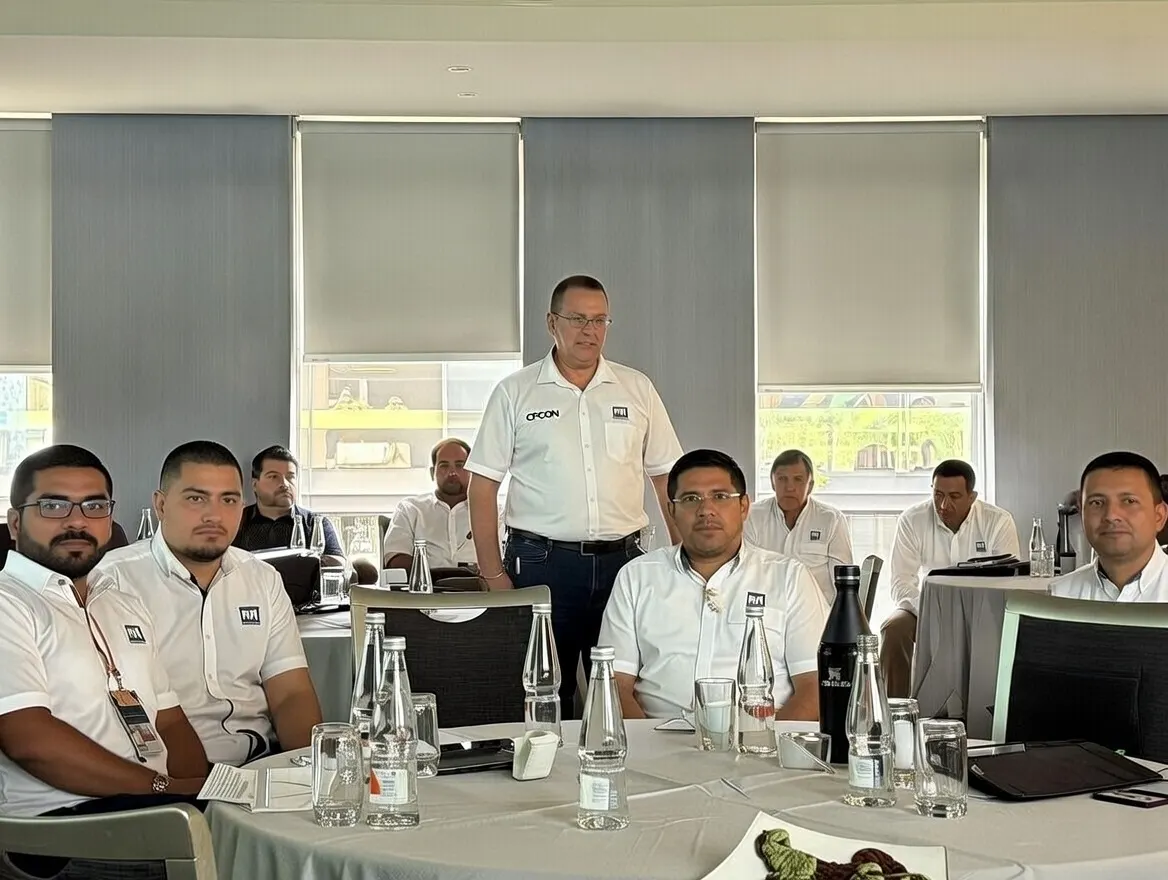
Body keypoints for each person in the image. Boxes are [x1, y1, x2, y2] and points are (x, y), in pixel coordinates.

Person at [466, 275, 684, 709]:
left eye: (601, 320)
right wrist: (493, 576)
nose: (590, 330)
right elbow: (482, 485)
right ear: (552, 323)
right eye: (578, 319)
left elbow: (667, 479)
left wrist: (684, 559)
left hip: (624, 564)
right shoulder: (516, 392)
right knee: (543, 692)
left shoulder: (636, 388)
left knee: (625, 689)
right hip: (543, 564)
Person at [0, 446, 208, 877]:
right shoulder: (9, 604)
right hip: (58, 827)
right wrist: (168, 791)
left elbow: (168, 721)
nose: (77, 520)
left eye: (94, 505)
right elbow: (28, 740)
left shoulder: (121, 602)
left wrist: (203, 788)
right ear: (15, 522)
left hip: (151, 809)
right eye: (53, 505)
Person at [96, 441, 322, 765]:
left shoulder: (262, 578)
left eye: (228, 500)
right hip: (166, 773)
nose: (213, 514)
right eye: (195, 498)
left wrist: (306, 772)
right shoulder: (112, 581)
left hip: (258, 762)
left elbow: (290, 693)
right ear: (160, 505)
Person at [598, 449, 826, 721]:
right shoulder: (636, 578)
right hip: (660, 740)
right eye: (691, 499)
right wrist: (648, 751)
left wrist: (769, 754)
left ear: (744, 506)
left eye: (720, 497)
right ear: (671, 510)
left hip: (759, 744)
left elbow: (815, 687)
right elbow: (613, 685)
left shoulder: (788, 578)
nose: (706, 510)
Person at [883, 459, 1019, 697]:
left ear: (972, 496)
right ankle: (896, 713)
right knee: (893, 628)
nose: (944, 505)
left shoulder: (997, 521)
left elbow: (1009, 581)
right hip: (924, 610)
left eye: (954, 496)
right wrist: (929, 611)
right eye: (938, 495)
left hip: (982, 613)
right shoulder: (912, 520)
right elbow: (900, 582)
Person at [1051, 451, 1168, 601]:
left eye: (1129, 501)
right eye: (1097, 503)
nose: (1111, 516)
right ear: (1082, 513)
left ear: (1159, 516)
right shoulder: (1061, 596)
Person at [744, 448, 854, 604]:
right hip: (767, 611)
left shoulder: (831, 519)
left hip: (818, 614)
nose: (789, 487)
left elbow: (843, 584)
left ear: (810, 485)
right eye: (782, 479)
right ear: (772, 483)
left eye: (798, 479)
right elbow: (745, 574)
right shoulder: (752, 516)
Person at [234, 445, 346, 569]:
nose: (284, 484)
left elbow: (339, 564)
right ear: (255, 485)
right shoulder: (237, 521)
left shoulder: (316, 523)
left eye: (290, 477)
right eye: (273, 477)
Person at [383, 438, 478, 570]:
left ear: (471, 471)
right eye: (444, 466)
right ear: (432, 473)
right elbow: (396, 557)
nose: (452, 473)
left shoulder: (493, 512)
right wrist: (429, 578)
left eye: (460, 465)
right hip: (425, 588)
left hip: (479, 588)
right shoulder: (410, 509)